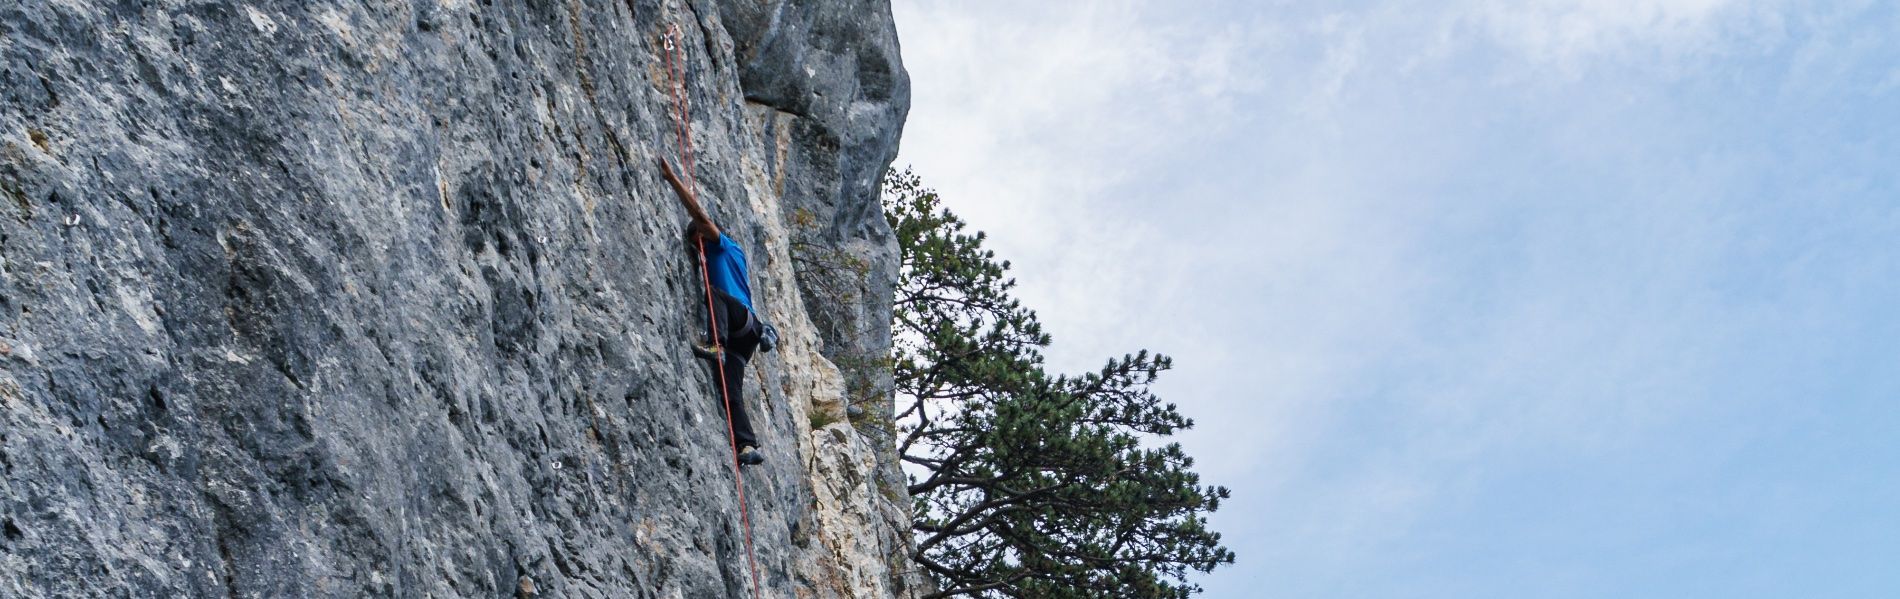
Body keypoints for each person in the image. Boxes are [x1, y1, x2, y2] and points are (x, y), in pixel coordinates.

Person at [659, 158, 776, 466]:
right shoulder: (728, 255)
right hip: (747, 334)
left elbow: (699, 215)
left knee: (715, 295)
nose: (698, 250)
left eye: (696, 242)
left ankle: (717, 344)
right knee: (731, 390)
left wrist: (672, 178)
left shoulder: (723, 246)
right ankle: (747, 446)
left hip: (738, 318)